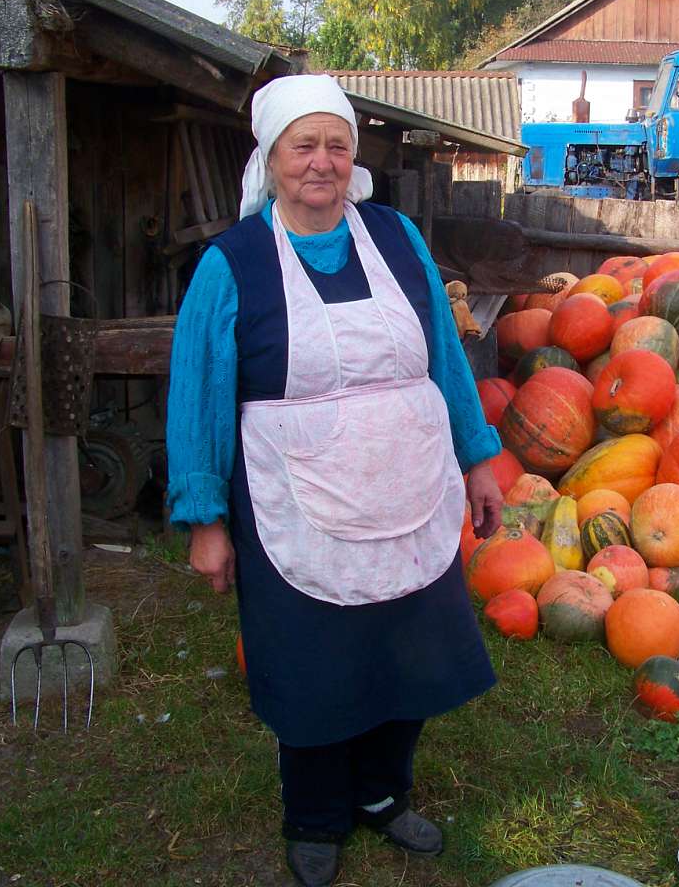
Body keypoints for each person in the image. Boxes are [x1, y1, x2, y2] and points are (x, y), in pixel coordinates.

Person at [165, 74, 504, 887]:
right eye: (303, 146)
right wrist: (206, 518)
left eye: (336, 145)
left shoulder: (393, 235)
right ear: (272, 157)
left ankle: (384, 795)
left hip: (410, 485)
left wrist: (478, 457)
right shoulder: (233, 261)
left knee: (411, 650)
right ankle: (314, 814)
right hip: (298, 500)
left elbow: (446, 360)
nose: (321, 162)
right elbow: (199, 392)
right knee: (314, 662)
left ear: (353, 156)